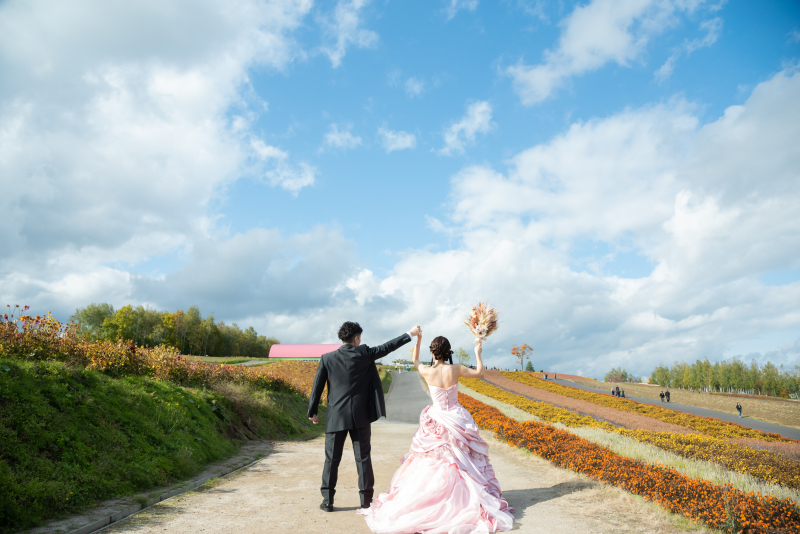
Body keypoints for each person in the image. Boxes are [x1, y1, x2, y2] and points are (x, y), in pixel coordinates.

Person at [359, 333, 514, 533]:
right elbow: (480, 373)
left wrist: (418, 339)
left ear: (433, 352)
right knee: (460, 459)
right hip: (456, 418)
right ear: (448, 352)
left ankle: (433, 495)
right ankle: (462, 497)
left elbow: (415, 359)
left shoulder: (427, 370)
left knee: (431, 460)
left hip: (437, 417)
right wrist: (478, 352)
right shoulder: (456, 369)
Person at [307, 321, 419, 512]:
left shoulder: (327, 358)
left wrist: (313, 411)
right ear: (356, 338)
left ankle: (328, 501)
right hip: (360, 416)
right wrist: (410, 334)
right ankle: (366, 501)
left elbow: (317, 386)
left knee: (331, 459)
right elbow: (387, 347)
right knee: (363, 458)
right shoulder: (364, 353)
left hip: (336, 416)